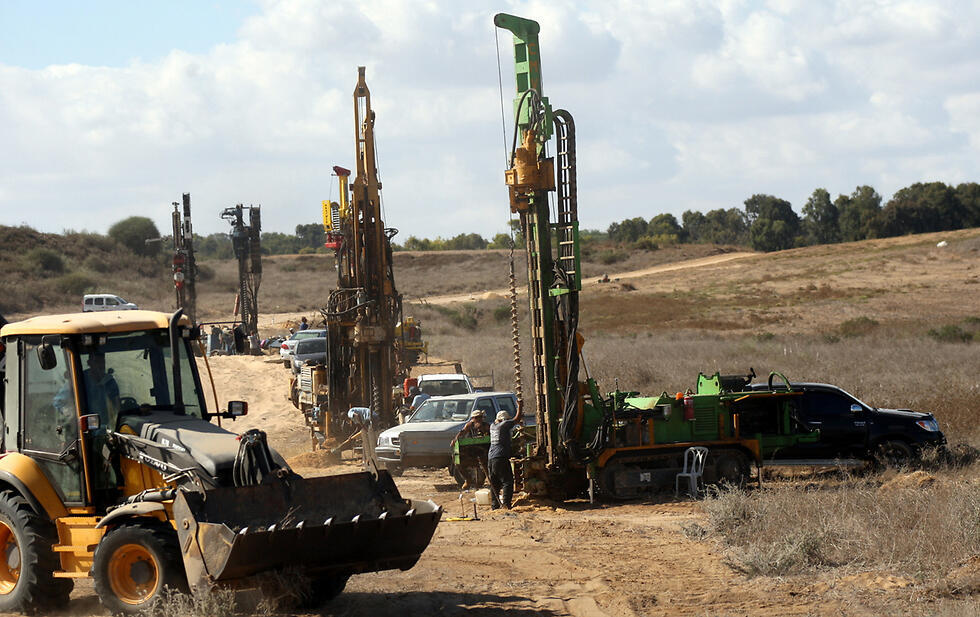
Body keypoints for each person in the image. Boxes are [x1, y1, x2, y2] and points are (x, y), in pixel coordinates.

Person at [488, 403, 524, 509]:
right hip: (501, 457)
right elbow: (517, 419)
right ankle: (506, 505)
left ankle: (494, 506)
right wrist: (520, 407)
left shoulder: (492, 426)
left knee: (494, 483)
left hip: (491, 458)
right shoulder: (503, 425)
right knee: (507, 481)